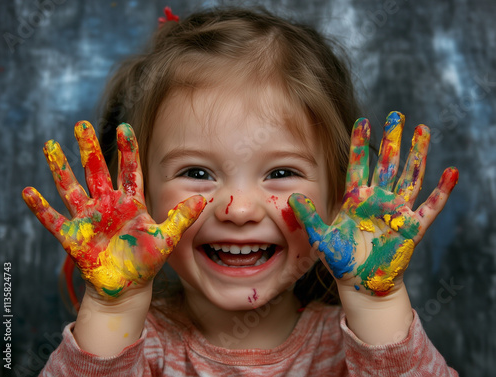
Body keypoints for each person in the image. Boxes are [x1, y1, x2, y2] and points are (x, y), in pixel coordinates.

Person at [22, 6, 459, 376]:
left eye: (281, 171)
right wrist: (111, 310)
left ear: (339, 198)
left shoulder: (360, 343)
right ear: (141, 197)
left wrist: (377, 307)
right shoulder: (131, 347)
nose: (239, 208)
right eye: (196, 172)